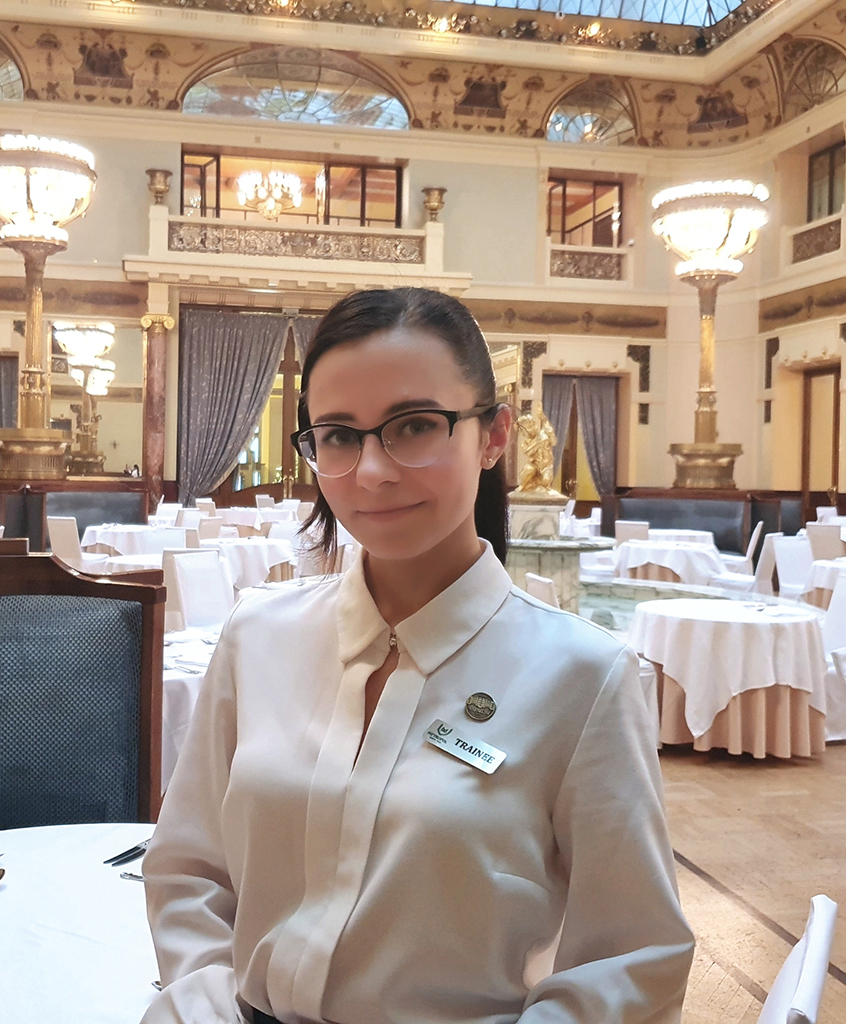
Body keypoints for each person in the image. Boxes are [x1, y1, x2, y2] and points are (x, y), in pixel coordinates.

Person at [142, 287, 693, 1024]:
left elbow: (634, 961)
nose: (372, 471)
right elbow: (189, 869)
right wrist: (204, 999)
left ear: (493, 436)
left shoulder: (582, 678)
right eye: (338, 435)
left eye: (414, 426)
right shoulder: (258, 635)